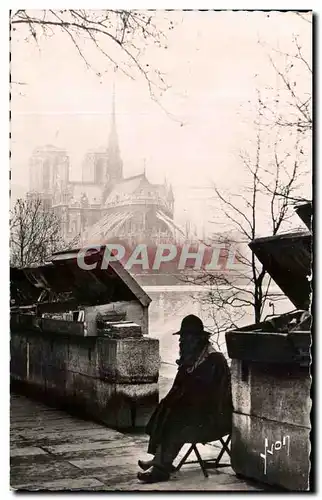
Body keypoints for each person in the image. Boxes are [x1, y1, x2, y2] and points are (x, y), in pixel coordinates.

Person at [137, 314, 233, 483]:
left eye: (185, 337)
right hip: (194, 413)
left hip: (212, 418)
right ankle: (159, 459)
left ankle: (160, 468)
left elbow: (212, 397)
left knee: (176, 418)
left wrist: (180, 403)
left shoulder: (214, 360)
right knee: (166, 408)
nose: (181, 341)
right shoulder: (191, 358)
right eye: (181, 337)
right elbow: (178, 389)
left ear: (197, 338)